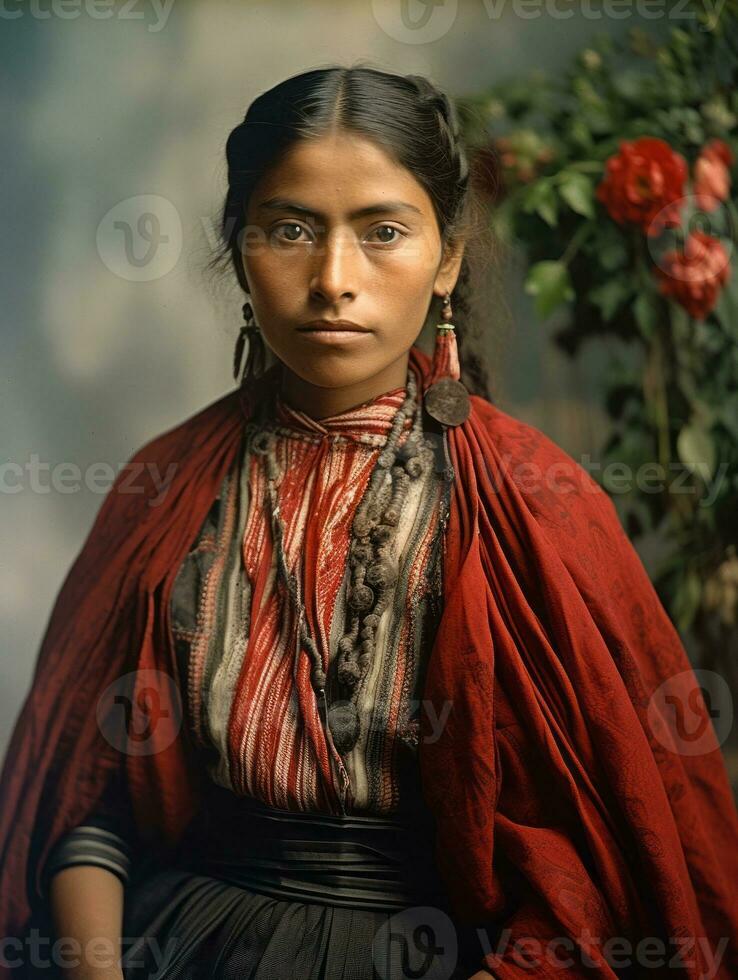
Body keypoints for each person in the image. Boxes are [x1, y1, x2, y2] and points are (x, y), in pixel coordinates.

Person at [1, 64, 738, 980]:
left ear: (449, 259)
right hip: (175, 946)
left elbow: (593, 876)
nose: (333, 280)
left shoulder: (534, 505)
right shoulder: (168, 486)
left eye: (384, 231)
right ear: (239, 252)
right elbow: (84, 798)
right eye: (289, 230)